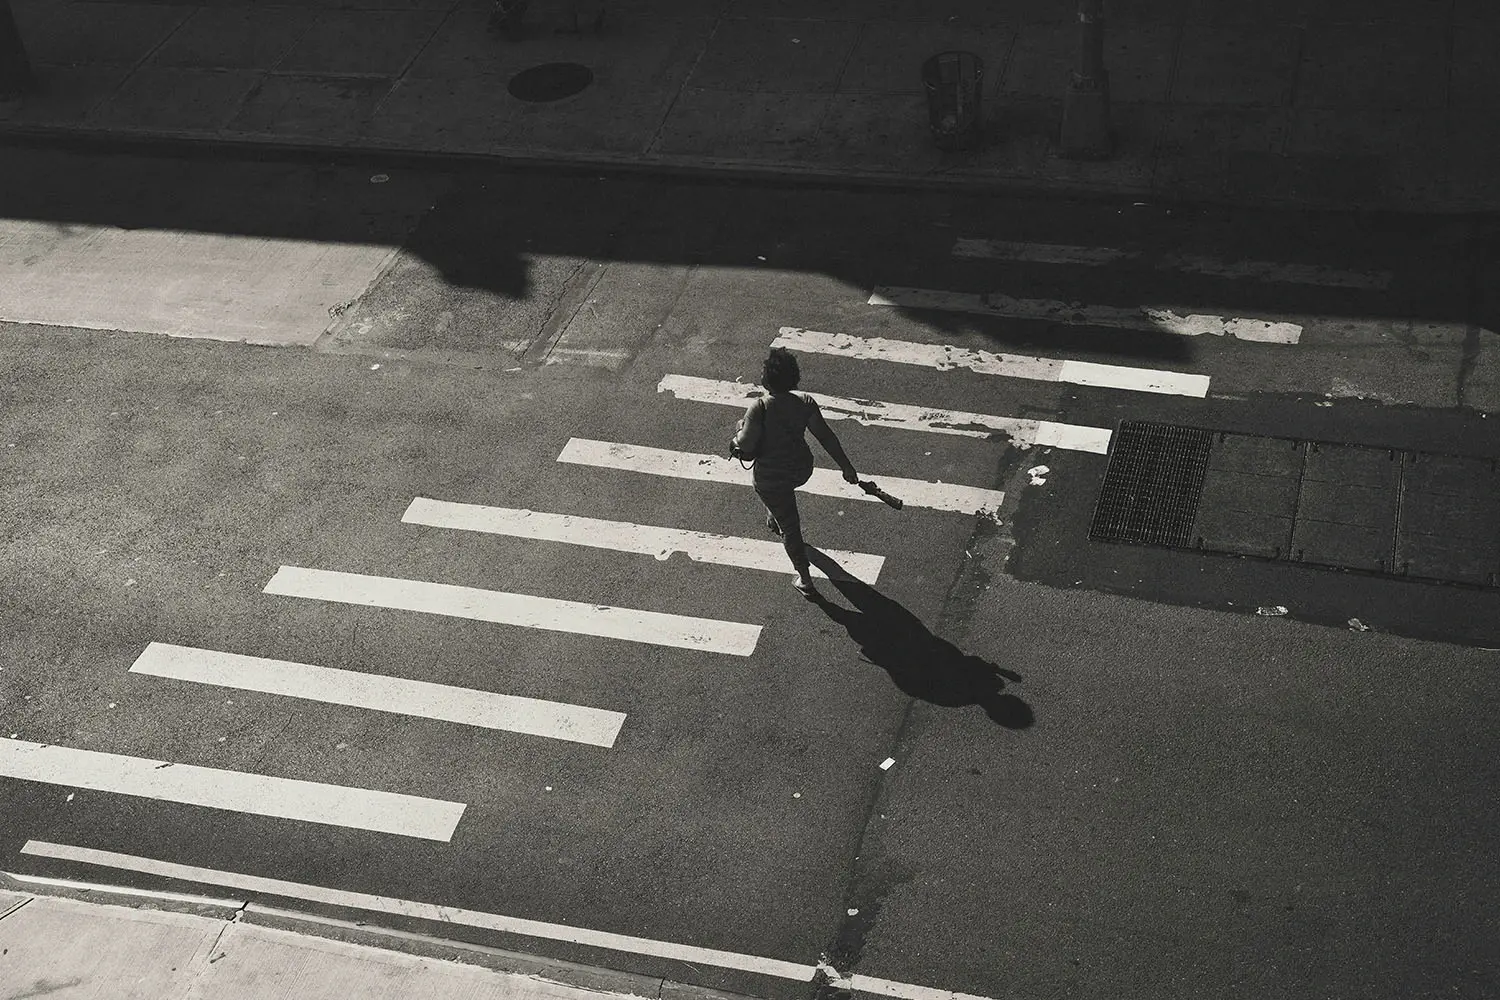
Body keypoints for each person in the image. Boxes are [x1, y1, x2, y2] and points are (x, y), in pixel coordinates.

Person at [731, 348, 858, 599]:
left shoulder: (760, 408)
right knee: (780, 502)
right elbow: (826, 437)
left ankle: (805, 579)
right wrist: (846, 466)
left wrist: (738, 431)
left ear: (767, 379)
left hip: (771, 477)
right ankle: (773, 513)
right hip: (800, 468)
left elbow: (744, 447)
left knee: (790, 528)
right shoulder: (805, 403)